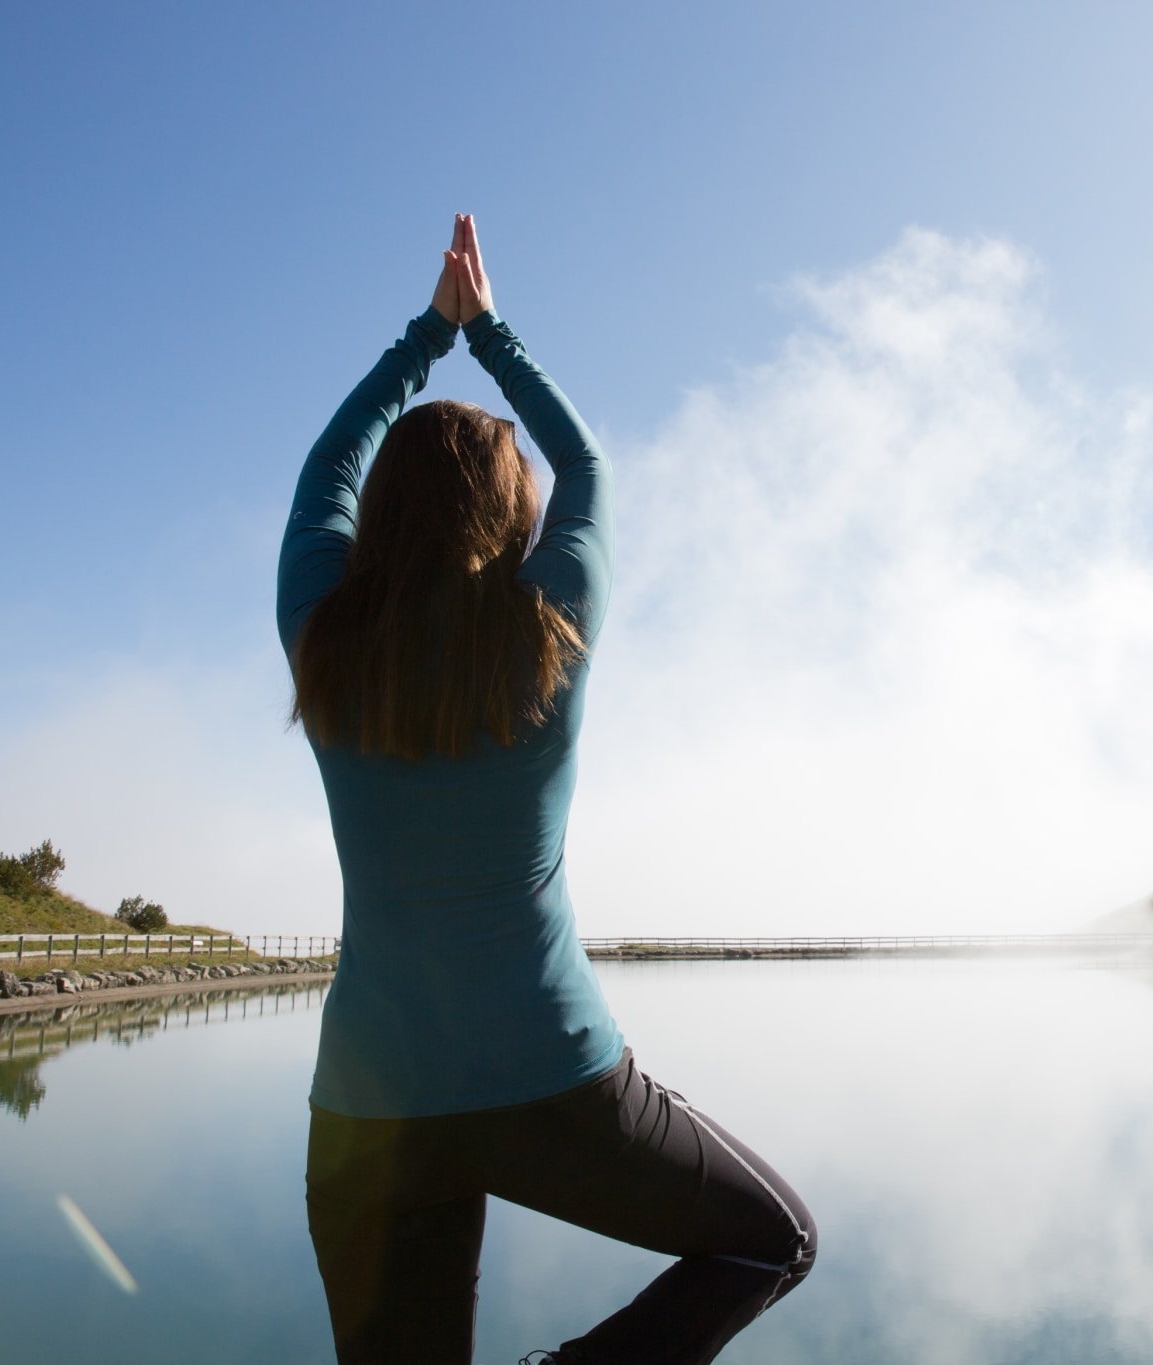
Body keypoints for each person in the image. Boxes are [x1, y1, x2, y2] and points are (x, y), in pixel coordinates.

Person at [281, 216, 816, 1365]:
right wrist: (492, 335)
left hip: (368, 1107)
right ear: (510, 514)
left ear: (382, 514)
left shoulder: (320, 640)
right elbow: (591, 467)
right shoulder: (547, 632)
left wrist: (427, 338)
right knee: (772, 1244)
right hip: (553, 1086)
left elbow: (328, 465)